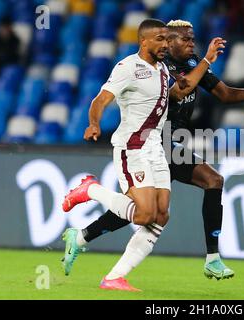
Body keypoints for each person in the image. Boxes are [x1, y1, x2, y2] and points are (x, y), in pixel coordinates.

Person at [63, 19, 244, 281]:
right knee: (150, 212)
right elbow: (179, 92)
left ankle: (85, 241)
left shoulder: (190, 65)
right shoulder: (160, 67)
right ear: (168, 42)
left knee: (158, 211)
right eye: (185, 39)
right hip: (151, 142)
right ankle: (91, 230)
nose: (191, 43)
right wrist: (207, 61)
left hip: (169, 143)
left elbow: (225, 94)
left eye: (193, 38)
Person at [61, 18, 226, 291]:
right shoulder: (127, 67)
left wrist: (206, 61)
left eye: (166, 39)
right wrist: (94, 123)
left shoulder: (162, 69)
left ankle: (114, 277)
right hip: (132, 148)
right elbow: (100, 99)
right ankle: (90, 190)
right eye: (160, 39)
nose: (165, 44)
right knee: (143, 214)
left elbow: (181, 90)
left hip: (156, 150)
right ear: (144, 41)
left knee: (161, 215)